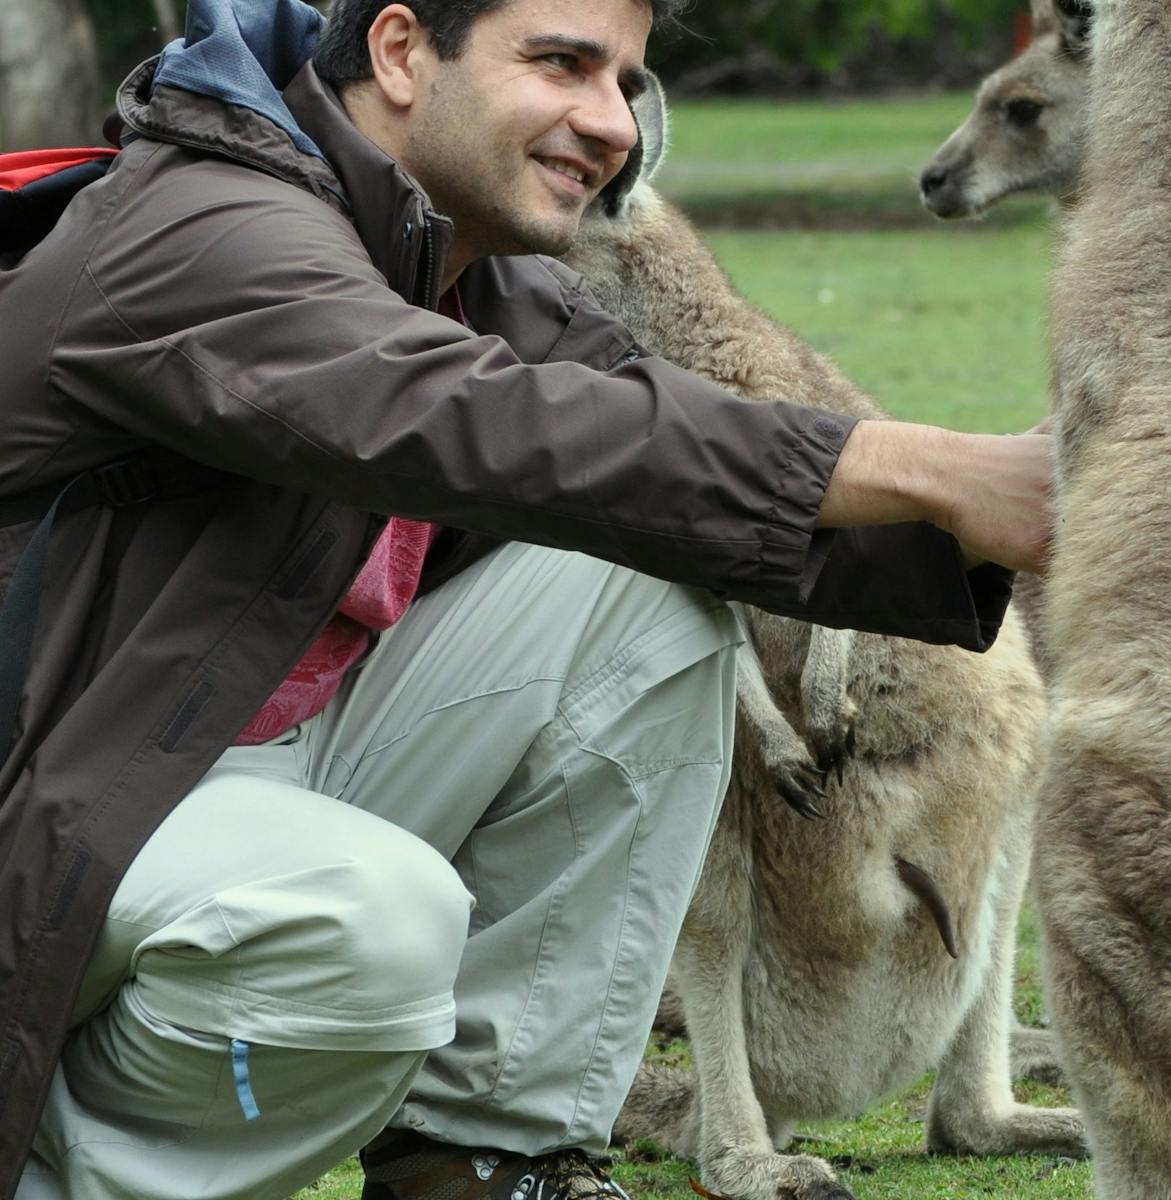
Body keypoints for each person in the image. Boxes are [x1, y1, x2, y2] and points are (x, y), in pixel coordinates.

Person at [0, 0, 1054, 1197]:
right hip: (58, 785)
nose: (607, 121)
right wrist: (929, 467)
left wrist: (1036, 517)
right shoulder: (204, 223)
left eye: (624, 79)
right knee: (371, 925)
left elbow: (692, 466)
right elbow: (485, 423)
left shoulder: (461, 267)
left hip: (230, 754)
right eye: (559, 64)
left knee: (651, 594)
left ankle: (486, 1157)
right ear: (400, 53)